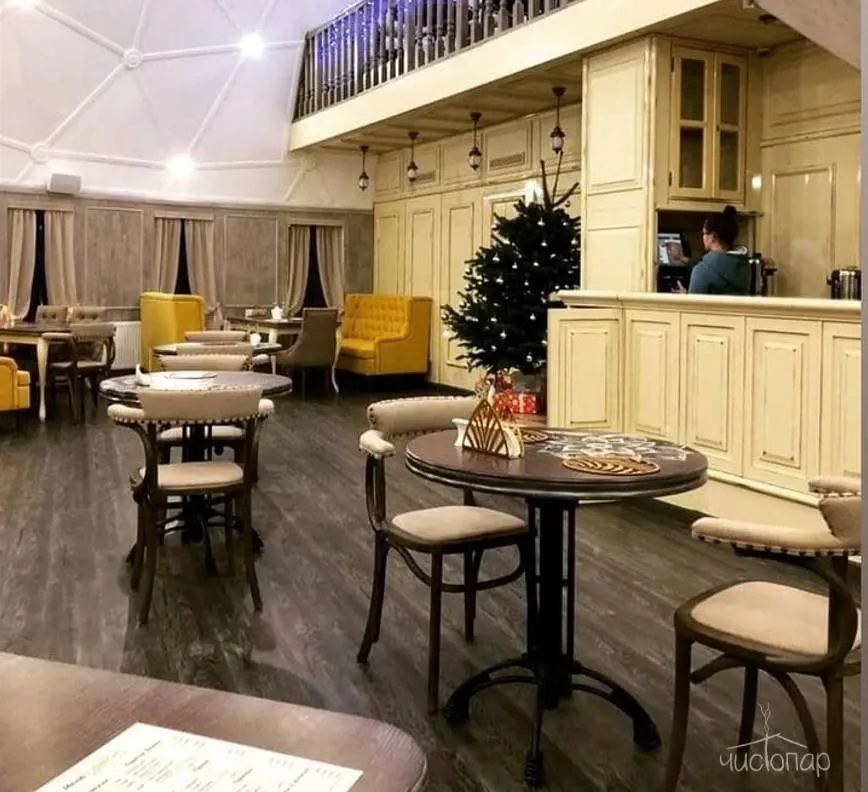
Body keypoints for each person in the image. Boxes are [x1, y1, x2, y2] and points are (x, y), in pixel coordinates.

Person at [674, 205, 751, 295]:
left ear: (713, 237)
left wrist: (684, 297)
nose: (703, 237)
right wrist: (682, 258)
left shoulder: (702, 271)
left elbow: (694, 304)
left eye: (704, 233)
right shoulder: (744, 265)